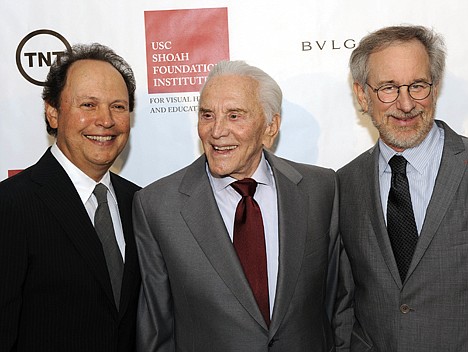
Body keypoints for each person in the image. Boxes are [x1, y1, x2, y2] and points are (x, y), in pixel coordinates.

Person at [134, 60, 339, 351]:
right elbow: (157, 330)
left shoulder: (321, 189)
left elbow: (339, 303)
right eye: (207, 115)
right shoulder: (157, 206)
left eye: (234, 115)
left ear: (271, 127)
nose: (217, 131)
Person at [333, 25, 468, 351]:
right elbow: (345, 298)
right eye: (389, 88)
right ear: (363, 95)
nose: (406, 104)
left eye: (418, 85)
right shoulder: (344, 183)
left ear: (434, 89)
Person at [0, 43, 141, 351]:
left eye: (118, 106)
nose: (105, 120)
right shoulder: (10, 205)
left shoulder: (139, 203)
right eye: (88, 105)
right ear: (53, 113)